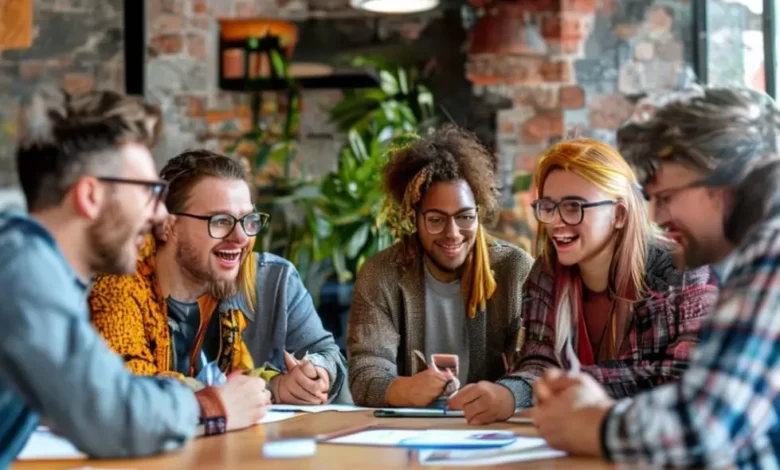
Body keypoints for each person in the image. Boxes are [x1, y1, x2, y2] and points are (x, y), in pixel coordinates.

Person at [0, 88, 270, 467]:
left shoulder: (34, 269)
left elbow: (88, 397)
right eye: (149, 192)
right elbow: (111, 415)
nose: (161, 215)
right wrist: (212, 405)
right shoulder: (21, 266)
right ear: (90, 196)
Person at [530, 87, 780, 468]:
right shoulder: (750, 256)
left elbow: (703, 428)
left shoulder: (771, 252)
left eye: (666, 197)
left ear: (721, 181)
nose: (658, 217)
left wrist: (592, 423)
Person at [89, 149, 347, 405]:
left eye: (248, 219)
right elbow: (127, 388)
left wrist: (315, 372)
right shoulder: (119, 282)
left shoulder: (274, 279)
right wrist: (239, 395)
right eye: (221, 220)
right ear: (168, 225)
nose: (242, 237)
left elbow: (329, 356)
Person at [489, 138, 717, 420]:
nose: (556, 222)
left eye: (574, 207)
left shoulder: (683, 271)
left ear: (619, 214)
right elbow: (539, 360)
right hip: (571, 439)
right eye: (548, 206)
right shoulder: (546, 273)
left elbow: (681, 375)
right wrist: (509, 393)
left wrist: (576, 383)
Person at [348, 125, 534, 424]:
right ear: (414, 217)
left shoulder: (514, 270)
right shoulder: (381, 275)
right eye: (435, 220)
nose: (452, 233)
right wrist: (405, 389)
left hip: (490, 428)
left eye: (465, 217)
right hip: (407, 435)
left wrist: (507, 394)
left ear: (479, 212)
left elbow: (537, 365)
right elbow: (365, 371)